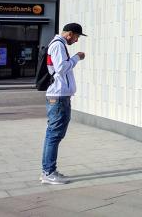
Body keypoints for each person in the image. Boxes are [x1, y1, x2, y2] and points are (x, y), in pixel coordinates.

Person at [41, 23, 86, 185]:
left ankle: (49, 170)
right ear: (70, 34)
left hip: (59, 96)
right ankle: (48, 172)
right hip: (58, 97)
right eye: (77, 37)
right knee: (54, 135)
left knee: (53, 134)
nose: (76, 40)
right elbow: (60, 68)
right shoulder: (58, 45)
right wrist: (76, 58)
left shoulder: (57, 44)